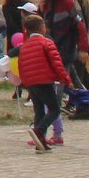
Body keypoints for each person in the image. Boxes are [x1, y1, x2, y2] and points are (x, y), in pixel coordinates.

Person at [17, 13, 69, 152]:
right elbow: (57, 63)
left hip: (31, 83)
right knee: (54, 109)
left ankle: (41, 141)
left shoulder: (24, 46)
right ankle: (39, 130)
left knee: (39, 111)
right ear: (42, 27)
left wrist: (25, 82)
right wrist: (65, 79)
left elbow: (21, 66)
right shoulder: (46, 43)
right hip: (44, 81)